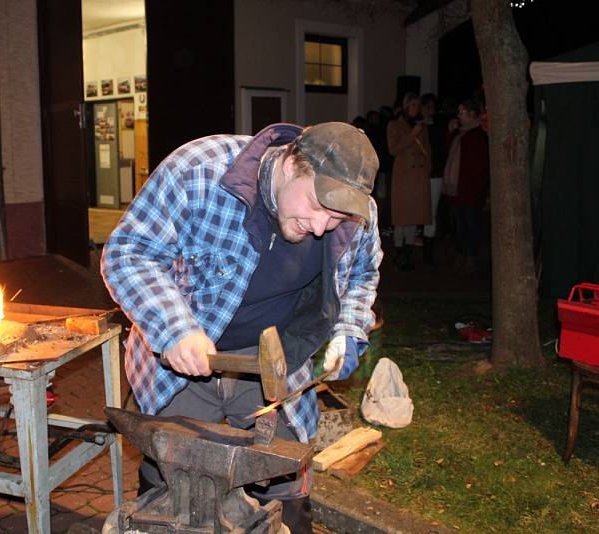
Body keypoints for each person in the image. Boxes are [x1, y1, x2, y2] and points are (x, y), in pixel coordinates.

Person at [101, 122, 382, 532]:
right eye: (316, 206)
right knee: (175, 477)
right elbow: (128, 254)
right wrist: (175, 328)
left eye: (335, 217)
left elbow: (361, 276)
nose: (321, 227)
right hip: (183, 357)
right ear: (290, 163)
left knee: (285, 481)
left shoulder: (357, 213)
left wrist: (350, 330)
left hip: (277, 360)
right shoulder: (197, 172)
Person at [442, 98, 490, 274]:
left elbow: (480, 166)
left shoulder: (479, 135)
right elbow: (449, 155)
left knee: (471, 223)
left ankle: (472, 257)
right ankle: (461, 255)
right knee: (460, 224)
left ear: (471, 114)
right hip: (457, 188)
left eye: (461, 112)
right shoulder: (461, 134)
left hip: (470, 188)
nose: (458, 116)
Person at [387, 92, 432, 270]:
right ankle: (399, 254)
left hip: (419, 175)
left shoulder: (423, 126)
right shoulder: (394, 125)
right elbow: (393, 149)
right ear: (406, 106)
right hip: (404, 175)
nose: (416, 108)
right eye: (413, 105)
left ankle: (409, 253)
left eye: (418, 105)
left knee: (414, 216)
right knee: (401, 217)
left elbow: (428, 149)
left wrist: (428, 168)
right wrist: (412, 134)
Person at [420, 93, 448, 265]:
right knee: (419, 211)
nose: (429, 110)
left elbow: (441, 149)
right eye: (426, 106)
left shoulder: (439, 126)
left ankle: (428, 250)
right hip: (419, 175)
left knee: (431, 212)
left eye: (432, 107)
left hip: (435, 173)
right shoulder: (417, 126)